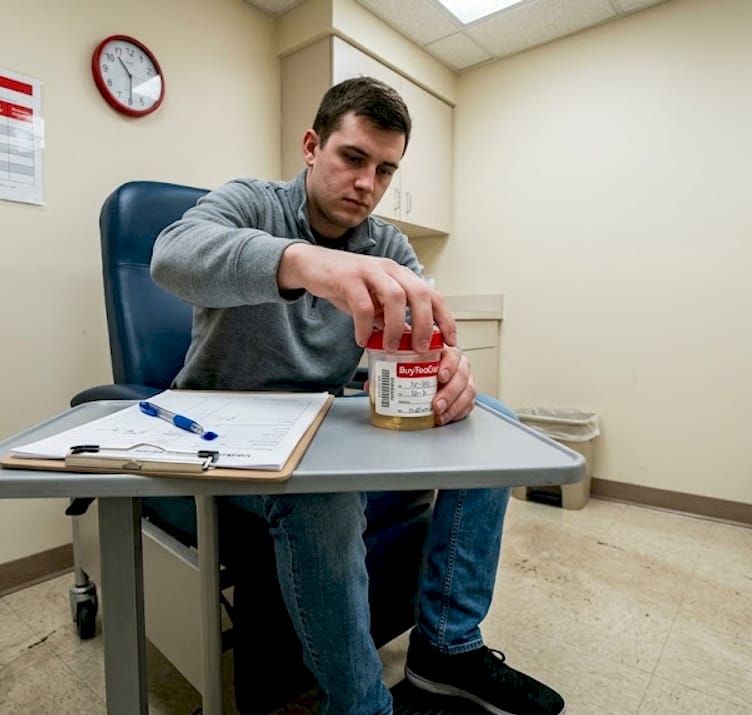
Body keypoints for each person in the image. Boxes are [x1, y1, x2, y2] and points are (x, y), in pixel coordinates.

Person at [151, 77, 564, 715]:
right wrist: (313, 264)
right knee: (324, 492)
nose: (367, 184)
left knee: (492, 421)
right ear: (312, 146)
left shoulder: (389, 245)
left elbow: (422, 340)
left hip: (321, 423)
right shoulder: (248, 203)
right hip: (225, 433)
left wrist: (451, 369)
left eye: (385, 170)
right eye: (352, 158)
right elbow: (173, 256)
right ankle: (361, 705)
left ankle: (446, 648)